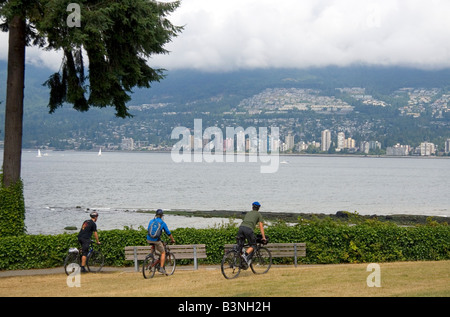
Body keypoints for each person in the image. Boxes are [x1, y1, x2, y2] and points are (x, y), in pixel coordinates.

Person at [146, 209, 175, 275]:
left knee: (153, 246)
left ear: (156, 215)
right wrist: (172, 240)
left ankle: (151, 259)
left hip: (148, 239)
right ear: (162, 216)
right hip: (156, 240)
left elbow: (148, 229)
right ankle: (161, 268)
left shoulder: (151, 221)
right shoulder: (162, 223)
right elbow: (168, 233)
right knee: (163, 252)